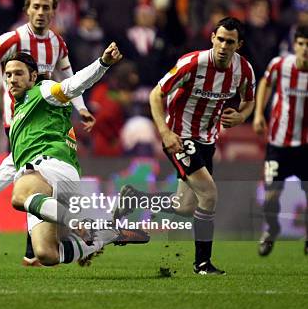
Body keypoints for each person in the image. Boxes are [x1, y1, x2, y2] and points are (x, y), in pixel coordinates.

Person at [0, 45, 146, 267]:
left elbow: (73, 85)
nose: (12, 79)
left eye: (18, 73)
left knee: (19, 196)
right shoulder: (19, 117)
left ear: (33, 76)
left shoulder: (43, 90)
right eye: (8, 75)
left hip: (52, 167)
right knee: (47, 254)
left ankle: (78, 221)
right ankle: (105, 234)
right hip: (46, 182)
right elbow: (10, 165)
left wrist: (102, 64)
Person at [0, 0, 96, 266]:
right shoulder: (12, 39)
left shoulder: (57, 43)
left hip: (45, 114)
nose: (41, 12)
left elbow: (68, 78)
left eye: (46, 7)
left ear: (54, 11)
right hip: (17, 118)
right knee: (23, 171)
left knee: (25, 175)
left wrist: (82, 108)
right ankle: (42, 248)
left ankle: (46, 245)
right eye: (36, 7)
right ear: (26, 10)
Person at [121, 17, 255, 275]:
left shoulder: (243, 70)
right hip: (180, 136)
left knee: (185, 207)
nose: (224, 46)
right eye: (221, 39)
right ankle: (202, 264)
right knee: (210, 194)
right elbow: (156, 94)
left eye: (230, 42)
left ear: (239, 45)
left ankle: (135, 198)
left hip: (207, 140)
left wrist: (242, 116)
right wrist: (165, 132)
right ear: (212, 38)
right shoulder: (193, 63)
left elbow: (249, 100)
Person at [253, 25, 308, 256]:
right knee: (271, 196)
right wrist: (258, 114)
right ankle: (272, 229)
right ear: (295, 44)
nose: (305, 49)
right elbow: (265, 82)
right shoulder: (280, 64)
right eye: (302, 44)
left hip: (306, 146)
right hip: (278, 144)